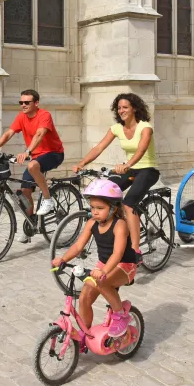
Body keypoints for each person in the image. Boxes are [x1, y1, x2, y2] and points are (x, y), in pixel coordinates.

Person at [72, 93, 158, 265]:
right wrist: (82, 163)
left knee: (129, 203)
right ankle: (118, 229)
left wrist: (127, 164)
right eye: (119, 108)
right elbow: (99, 147)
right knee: (105, 192)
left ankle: (135, 249)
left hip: (147, 169)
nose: (121, 111)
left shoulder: (145, 127)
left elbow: (141, 150)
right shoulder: (117, 128)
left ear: (134, 108)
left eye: (125, 107)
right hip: (130, 169)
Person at [51, 179, 135, 337]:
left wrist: (103, 271)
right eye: (92, 207)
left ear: (114, 208)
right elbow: (78, 246)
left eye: (100, 208)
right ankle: (85, 334)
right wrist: (63, 259)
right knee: (84, 298)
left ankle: (121, 315)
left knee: (101, 282)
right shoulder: (91, 223)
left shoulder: (120, 225)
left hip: (124, 266)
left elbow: (117, 254)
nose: (95, 212)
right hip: (103, 265)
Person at [0, 89, 65, 243]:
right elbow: (8, 134)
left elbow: (39, 134)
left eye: (27, 102)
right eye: (21, 102)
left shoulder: (44, 115)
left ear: (36, 103)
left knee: (32, 166)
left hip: (54, 153)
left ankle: (48, 199)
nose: (23, 105)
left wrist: (27, 152)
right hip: (37, 157)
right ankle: (30, 225)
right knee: (25, 191)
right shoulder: (21, 117)